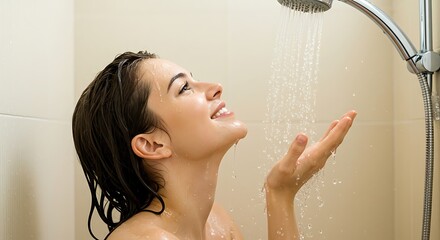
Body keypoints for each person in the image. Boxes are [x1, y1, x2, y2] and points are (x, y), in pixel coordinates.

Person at [72, 50, 356, 240]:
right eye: (184, 88)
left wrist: (281, 194)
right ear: (152, 144)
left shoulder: (216, 223)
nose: (215, 87)